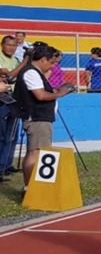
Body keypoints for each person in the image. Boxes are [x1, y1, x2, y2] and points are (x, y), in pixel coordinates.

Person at [13, 44, 75, 191]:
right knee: (37, 152)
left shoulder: (35, 72)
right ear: (43, 59)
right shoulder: (31, 72)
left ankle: (31, 187)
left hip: (40, 117)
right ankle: (31, 188)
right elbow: (40, 95)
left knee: (35, 151)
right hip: (37, 118)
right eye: (51, 62)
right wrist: (60, 93)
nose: (52, 67)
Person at [0, 35, 23, 178]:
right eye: (8, 45)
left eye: (14, 46)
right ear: (2, 45)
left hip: (14, 99)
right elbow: (9, 75)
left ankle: (7, 164)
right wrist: (24, 62)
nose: (11, 48)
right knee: (2, 135)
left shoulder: (15, 60)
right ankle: (0, 166)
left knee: (12, 135)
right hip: (2, 100)